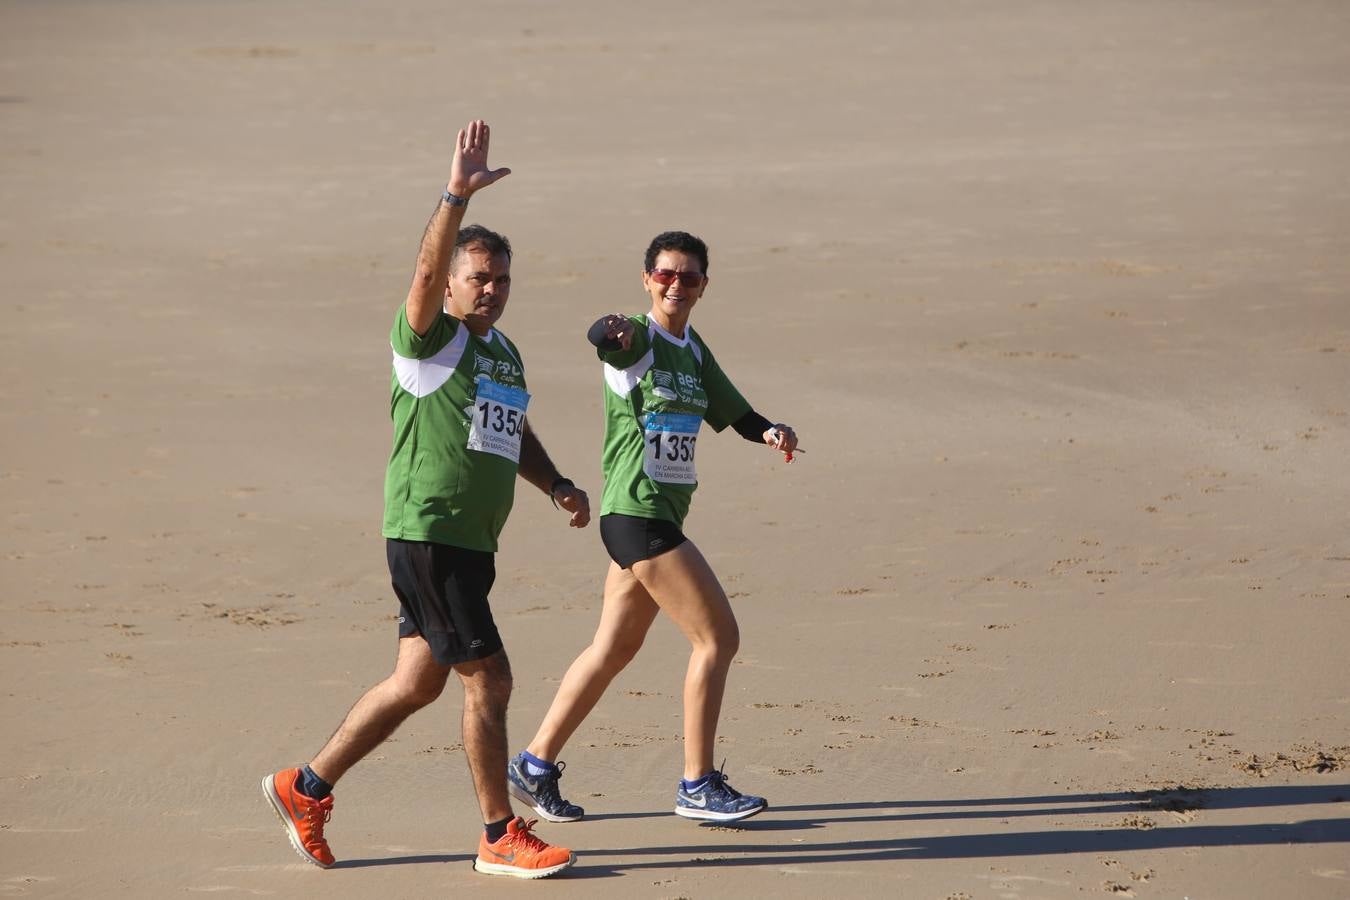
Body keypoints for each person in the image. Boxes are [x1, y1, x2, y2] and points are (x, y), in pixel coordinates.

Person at [261, 120, 587, 880]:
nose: (492, 289)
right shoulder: (427, 340)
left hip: (471, 542)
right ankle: (499, 834)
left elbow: (512, 430)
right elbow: (425, 264)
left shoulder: (501, 351)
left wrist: (557, 484)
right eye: (479, 277)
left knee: (415, 682)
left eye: (502, 278)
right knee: (491, 678)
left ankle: (304, 787)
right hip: (430, 533)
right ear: (448, 285)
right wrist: (454, 197)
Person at [507, 230, 800, 824]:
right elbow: (606, 340)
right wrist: (606, 331)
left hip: (653, 517)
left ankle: (533, 764)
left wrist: (771, 431)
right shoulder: (637, 342)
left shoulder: (692, 351)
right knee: (718, 639)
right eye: (665, 274)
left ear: (703, 287)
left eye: (688, 277)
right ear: (647, 279)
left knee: (612, 649)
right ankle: (697, 784)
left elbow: (733, 411)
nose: (675, 284)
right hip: (636, 515)